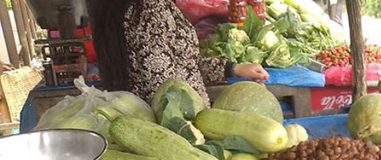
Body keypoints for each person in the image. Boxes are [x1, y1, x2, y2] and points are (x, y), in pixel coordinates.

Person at [88, 0, 269, 105]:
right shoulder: (151, 10)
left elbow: (182, 63)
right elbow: (162, 92)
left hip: (170, 128)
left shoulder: (142, 7)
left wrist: (233, 68)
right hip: (178, 130)